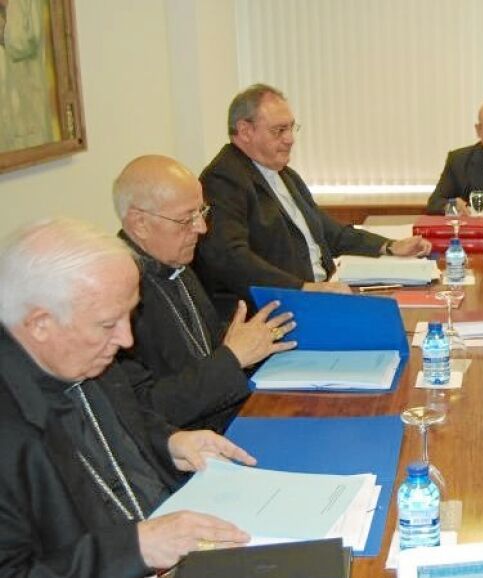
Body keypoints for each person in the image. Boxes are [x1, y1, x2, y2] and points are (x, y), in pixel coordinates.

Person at [0, 217, 256, 576]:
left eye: (129, 316)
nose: (126, 340)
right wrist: (138, 548)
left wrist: (169, 442)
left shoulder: (81, 354)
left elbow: (129, 419)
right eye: (108, 324)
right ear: (40, 324)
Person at [194, 83, 433, 318]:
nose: (290, 139)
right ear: (245, 131)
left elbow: (329, 232)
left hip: (320, 295)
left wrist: (389, 246)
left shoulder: (285, 175)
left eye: (291, 128)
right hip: (279, 311)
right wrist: (303, 289)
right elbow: (230, 259)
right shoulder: (224, 180)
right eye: (279, 130)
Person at [114, 155, 297, 432]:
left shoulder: (176, 262)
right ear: (140, 223)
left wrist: (261, 336)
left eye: (201, 212)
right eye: (186, 218)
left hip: (233, 413)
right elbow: (145, 410)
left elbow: (206, 345)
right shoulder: (115, 295)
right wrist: (233, 357)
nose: (201, 228)